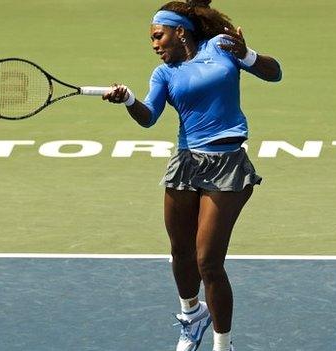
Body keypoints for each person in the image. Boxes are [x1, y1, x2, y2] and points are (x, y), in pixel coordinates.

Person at [102, 1, 282, 350]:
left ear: (179, 31)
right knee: (180, 251)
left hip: (228, 165)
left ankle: (222, 343)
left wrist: (248, 56)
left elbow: (274, 73)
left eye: (158, 36)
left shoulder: (221, 46)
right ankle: (191, 315)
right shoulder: (164, 74)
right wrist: (128, 100)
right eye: (152, 40)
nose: (154, 45)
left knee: (208, 261)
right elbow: (149, 116)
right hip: (186, 163)